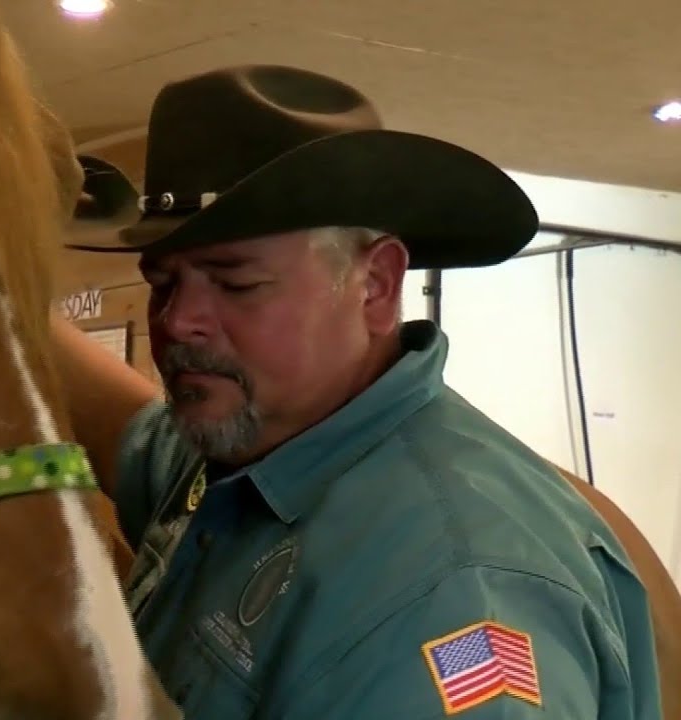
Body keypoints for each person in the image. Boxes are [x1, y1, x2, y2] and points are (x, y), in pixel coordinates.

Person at [55, 64, 664, 719]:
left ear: (375, 283)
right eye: (163, 284)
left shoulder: (454, 590)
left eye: (234, 283)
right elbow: (113, 417)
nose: (176, 322)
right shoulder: (243, 455)